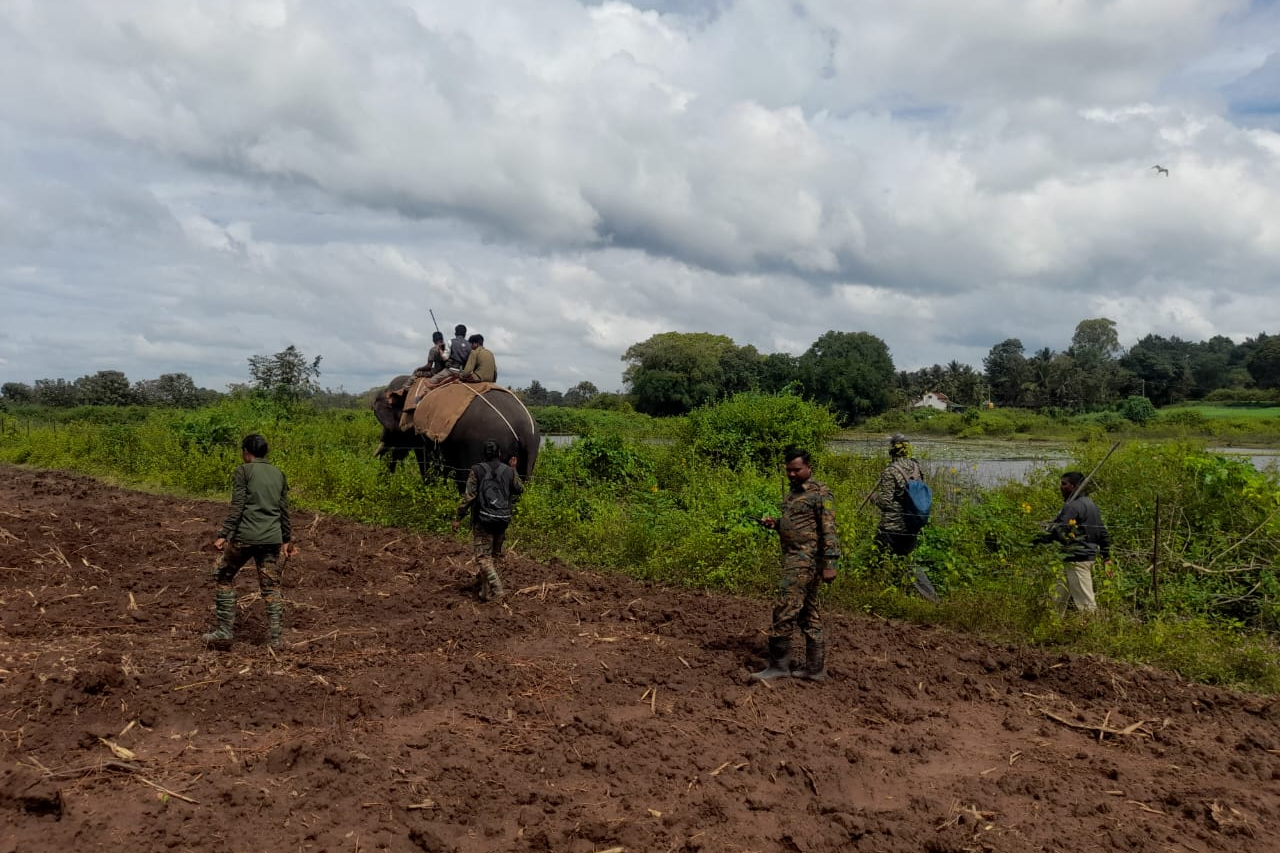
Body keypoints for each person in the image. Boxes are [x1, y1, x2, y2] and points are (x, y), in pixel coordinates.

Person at [752, 448, 841, 682]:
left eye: (796, 469)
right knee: (807, 613)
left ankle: (778, 666)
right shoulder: (793, 494)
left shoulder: (820, 492)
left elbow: (829, 530)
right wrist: (777, 524)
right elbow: (799, 524)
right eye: (788, 470)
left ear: (809, 468)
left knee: (784, 609)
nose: (791, 474)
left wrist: (830, 563)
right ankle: (814, 669)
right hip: (795, 558)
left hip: (804, 562)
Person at [204, 434, 297, 648]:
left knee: (223, 576)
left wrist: (223, 534)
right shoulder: (278, 474)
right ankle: (276, 639)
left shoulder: (243, 471)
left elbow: (237, 506)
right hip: (271, 539)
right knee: (271, 587)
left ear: (246, 452)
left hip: (245, 537)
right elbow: (283, 510)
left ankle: (224, 632)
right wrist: (286, 540)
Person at [870, 433, 940, 603]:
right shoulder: (917, 468)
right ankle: (929, 597)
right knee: (908, 562)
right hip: (911, 525)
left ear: (891, 450)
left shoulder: (890, 471)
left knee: (878, 561)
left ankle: (876, 595)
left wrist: (874, 499)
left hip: (891, 527)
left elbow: (886, 502)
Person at [452, 439, 523, 601]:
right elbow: (519, 489)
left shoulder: (476, 470)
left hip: (482, 520)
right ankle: (485, 592)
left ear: (483, 455)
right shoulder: (508, 471)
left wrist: (458, 518)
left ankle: (497, 590)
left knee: (483, 558)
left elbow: (469, 496)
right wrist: (514, 469)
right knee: (492, 556)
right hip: (502, 520)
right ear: (499, 454)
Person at [1036, 471, 1112, 615]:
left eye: (1064, 484)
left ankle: (1093, 633)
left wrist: (1039, 540)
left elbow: (1060, 531)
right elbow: (1103, 533)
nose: (1061, 487)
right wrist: (1106, 556)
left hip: (1077, 559)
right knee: (1057, 599)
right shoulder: (1091, 505)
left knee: (1086, 604)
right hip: (1069, 559)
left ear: (1075, 486)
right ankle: (1051, 628)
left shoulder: (1073, 507)